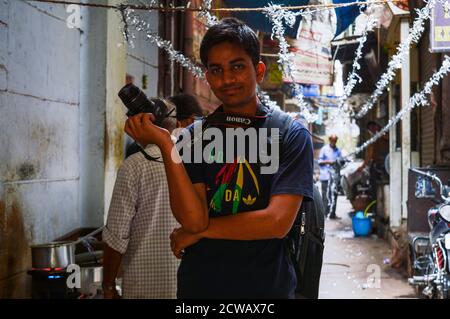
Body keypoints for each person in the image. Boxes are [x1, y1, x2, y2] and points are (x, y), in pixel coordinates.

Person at [124, 17, 313, 299]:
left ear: (258, 70)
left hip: (267, 289)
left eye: (237, 66)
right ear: (207, 77)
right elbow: (193, 220)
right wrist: (166, 145)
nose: (227, 79)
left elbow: (276, 222)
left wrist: (200, 233)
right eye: (217, 70)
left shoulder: (291, 135)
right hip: (200, 288)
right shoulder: (193, 137)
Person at [102, 94, 202, 299]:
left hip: (144, 288)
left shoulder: (134, 166)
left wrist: (109, 286)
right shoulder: (199, 160)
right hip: (192, 284)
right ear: (176, 123)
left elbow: (116, 236)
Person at [318, 134, 342, 219]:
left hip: (334, 177)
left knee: (334, 195)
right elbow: (319, 161)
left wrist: (339, 162)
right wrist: (328, 162)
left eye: (335, 140)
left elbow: (341, 162)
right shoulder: (324, 149)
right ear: (329, 140)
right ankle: (325, 214)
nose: (333, 142)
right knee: (325, 196)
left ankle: (332, 214)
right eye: (332, 140)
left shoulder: (338, 151)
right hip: (325, 176)